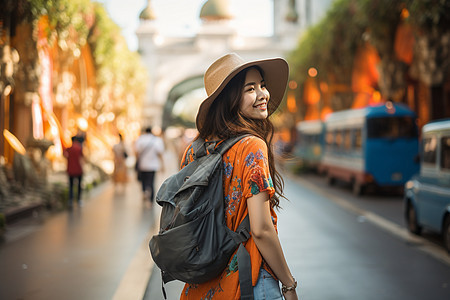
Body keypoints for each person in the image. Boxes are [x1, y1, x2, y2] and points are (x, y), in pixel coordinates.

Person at [179, 53, 298, 299]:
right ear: (230, 99)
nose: (263, 94)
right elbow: (262, 229)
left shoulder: (193, 149)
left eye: (262, 85)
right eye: (250, 88)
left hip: (202, 287)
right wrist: (288, 284)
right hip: (249, 280)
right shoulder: (252, 146)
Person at [134, 127, 164, 205]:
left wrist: (137, 161)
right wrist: (162, 165)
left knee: (143, 181)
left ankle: (144, 192)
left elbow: (136, 153)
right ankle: (150, 201)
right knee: (151, 182)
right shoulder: (157, 140)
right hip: (153, 166)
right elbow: (160, 154)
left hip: (143, 165)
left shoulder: (140, 139)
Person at [64, 136, 84, 209]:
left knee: (71, 185)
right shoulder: (79, 148)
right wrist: (83, 168)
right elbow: (81, 158)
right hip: (78, 169)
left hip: (70, 170)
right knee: (79, 185)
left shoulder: (69, 149)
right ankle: (79, 199)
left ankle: (71, 200)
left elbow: (64, 154)